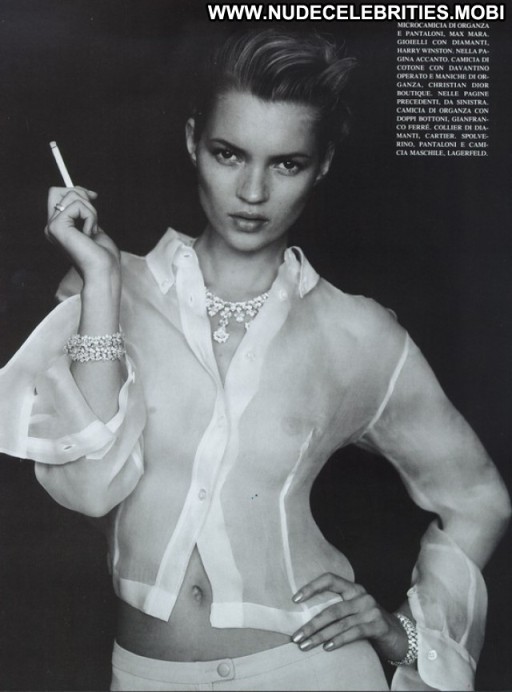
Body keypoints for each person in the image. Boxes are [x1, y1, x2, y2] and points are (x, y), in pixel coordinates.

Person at [0, 28, 510, 691]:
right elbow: (90, 487)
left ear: (322, 165)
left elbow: (478, 498)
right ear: (193, 142)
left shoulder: (358, 333)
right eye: (229, 154)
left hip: (312, 669)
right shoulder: (107, 287)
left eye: (287, 164)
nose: (252, 191)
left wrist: (408, 633)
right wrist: (99, 283)